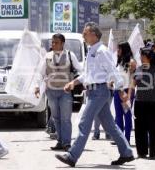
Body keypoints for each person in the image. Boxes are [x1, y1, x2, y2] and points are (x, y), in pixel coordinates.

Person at [55, 22, 134, 167]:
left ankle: (72, 156)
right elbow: (87, 74)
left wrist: (121, 90)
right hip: (94, 91)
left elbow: (112, 71)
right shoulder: (91, 50)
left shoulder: (102, 51)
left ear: (94, 35)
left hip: (99, 91)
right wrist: (74, 82)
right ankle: (126, 152)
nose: (83, 35)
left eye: (85, 33)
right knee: (110, 126)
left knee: (84, 123)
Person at [35, 33, 82, 152]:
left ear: (62, 44)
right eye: (52, 42)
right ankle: (60, 141)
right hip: (51, 91)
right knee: (56, 117)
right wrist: (37, 86)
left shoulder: (70, 55)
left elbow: (81, 70)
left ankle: (66, 143)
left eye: (56, 42)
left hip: (65, 91)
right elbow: (40, 73)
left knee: (66, 118)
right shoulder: (47, 56)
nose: (53, 44)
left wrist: (76, 81)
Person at [132, 46, 155, 160]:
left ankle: (153, 153)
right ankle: (141, 152)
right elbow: (132, 86)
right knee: (139, 129)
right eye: (141, 56)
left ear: (148, 57)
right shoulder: (138, 69)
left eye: (142, 56)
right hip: (139, 103)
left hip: (154, 103)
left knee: (154, 129)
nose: (141, 58)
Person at [113, 42, 136, 144]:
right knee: (118, 115)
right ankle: (119, 138)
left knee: (127, 115)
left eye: (119, 49)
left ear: (124, 49)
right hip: (117, 91)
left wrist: (129, 94)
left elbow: (132, 80)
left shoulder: (131, 62)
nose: (117, 51)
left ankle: (127, 139)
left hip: (126, 91)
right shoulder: (119, 62)